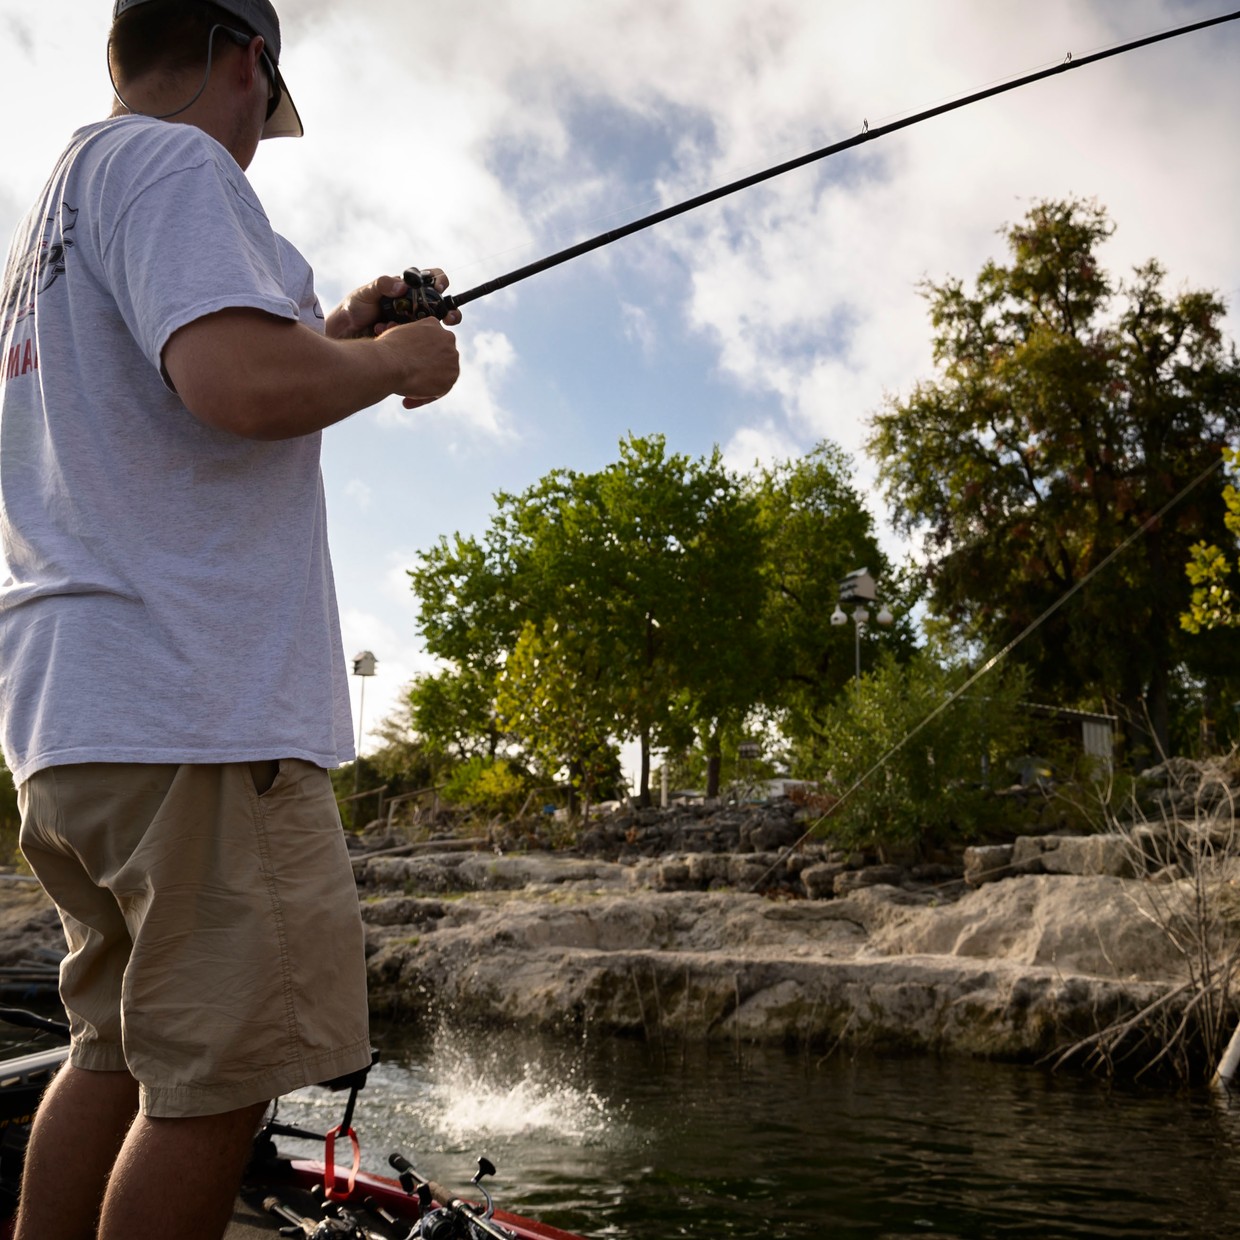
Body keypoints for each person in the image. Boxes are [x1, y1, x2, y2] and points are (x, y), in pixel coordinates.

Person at [0, 2, 461, 1236]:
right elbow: (236, 383)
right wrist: (398, 364)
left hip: (73, 723)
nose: (260, 127)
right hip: (191, 713)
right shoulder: (174, 158)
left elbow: (216, 374)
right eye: (268, 96)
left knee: (109, 1055)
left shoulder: (62, 206)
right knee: (216, 1083)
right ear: (244, 58)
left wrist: (338, 336)